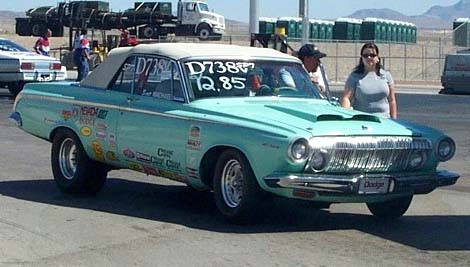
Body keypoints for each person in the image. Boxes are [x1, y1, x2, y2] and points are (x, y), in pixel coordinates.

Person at [340, 42, 397, 119]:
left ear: (377, 58)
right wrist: (346, 116)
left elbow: (392, 100)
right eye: (365, 55)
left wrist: (394, 119)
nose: (369, 57)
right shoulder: (354, 77)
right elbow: (347, 98)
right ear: (361, 58)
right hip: (362, 120)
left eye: (372, 55)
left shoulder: (386, 75)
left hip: (385, 120)